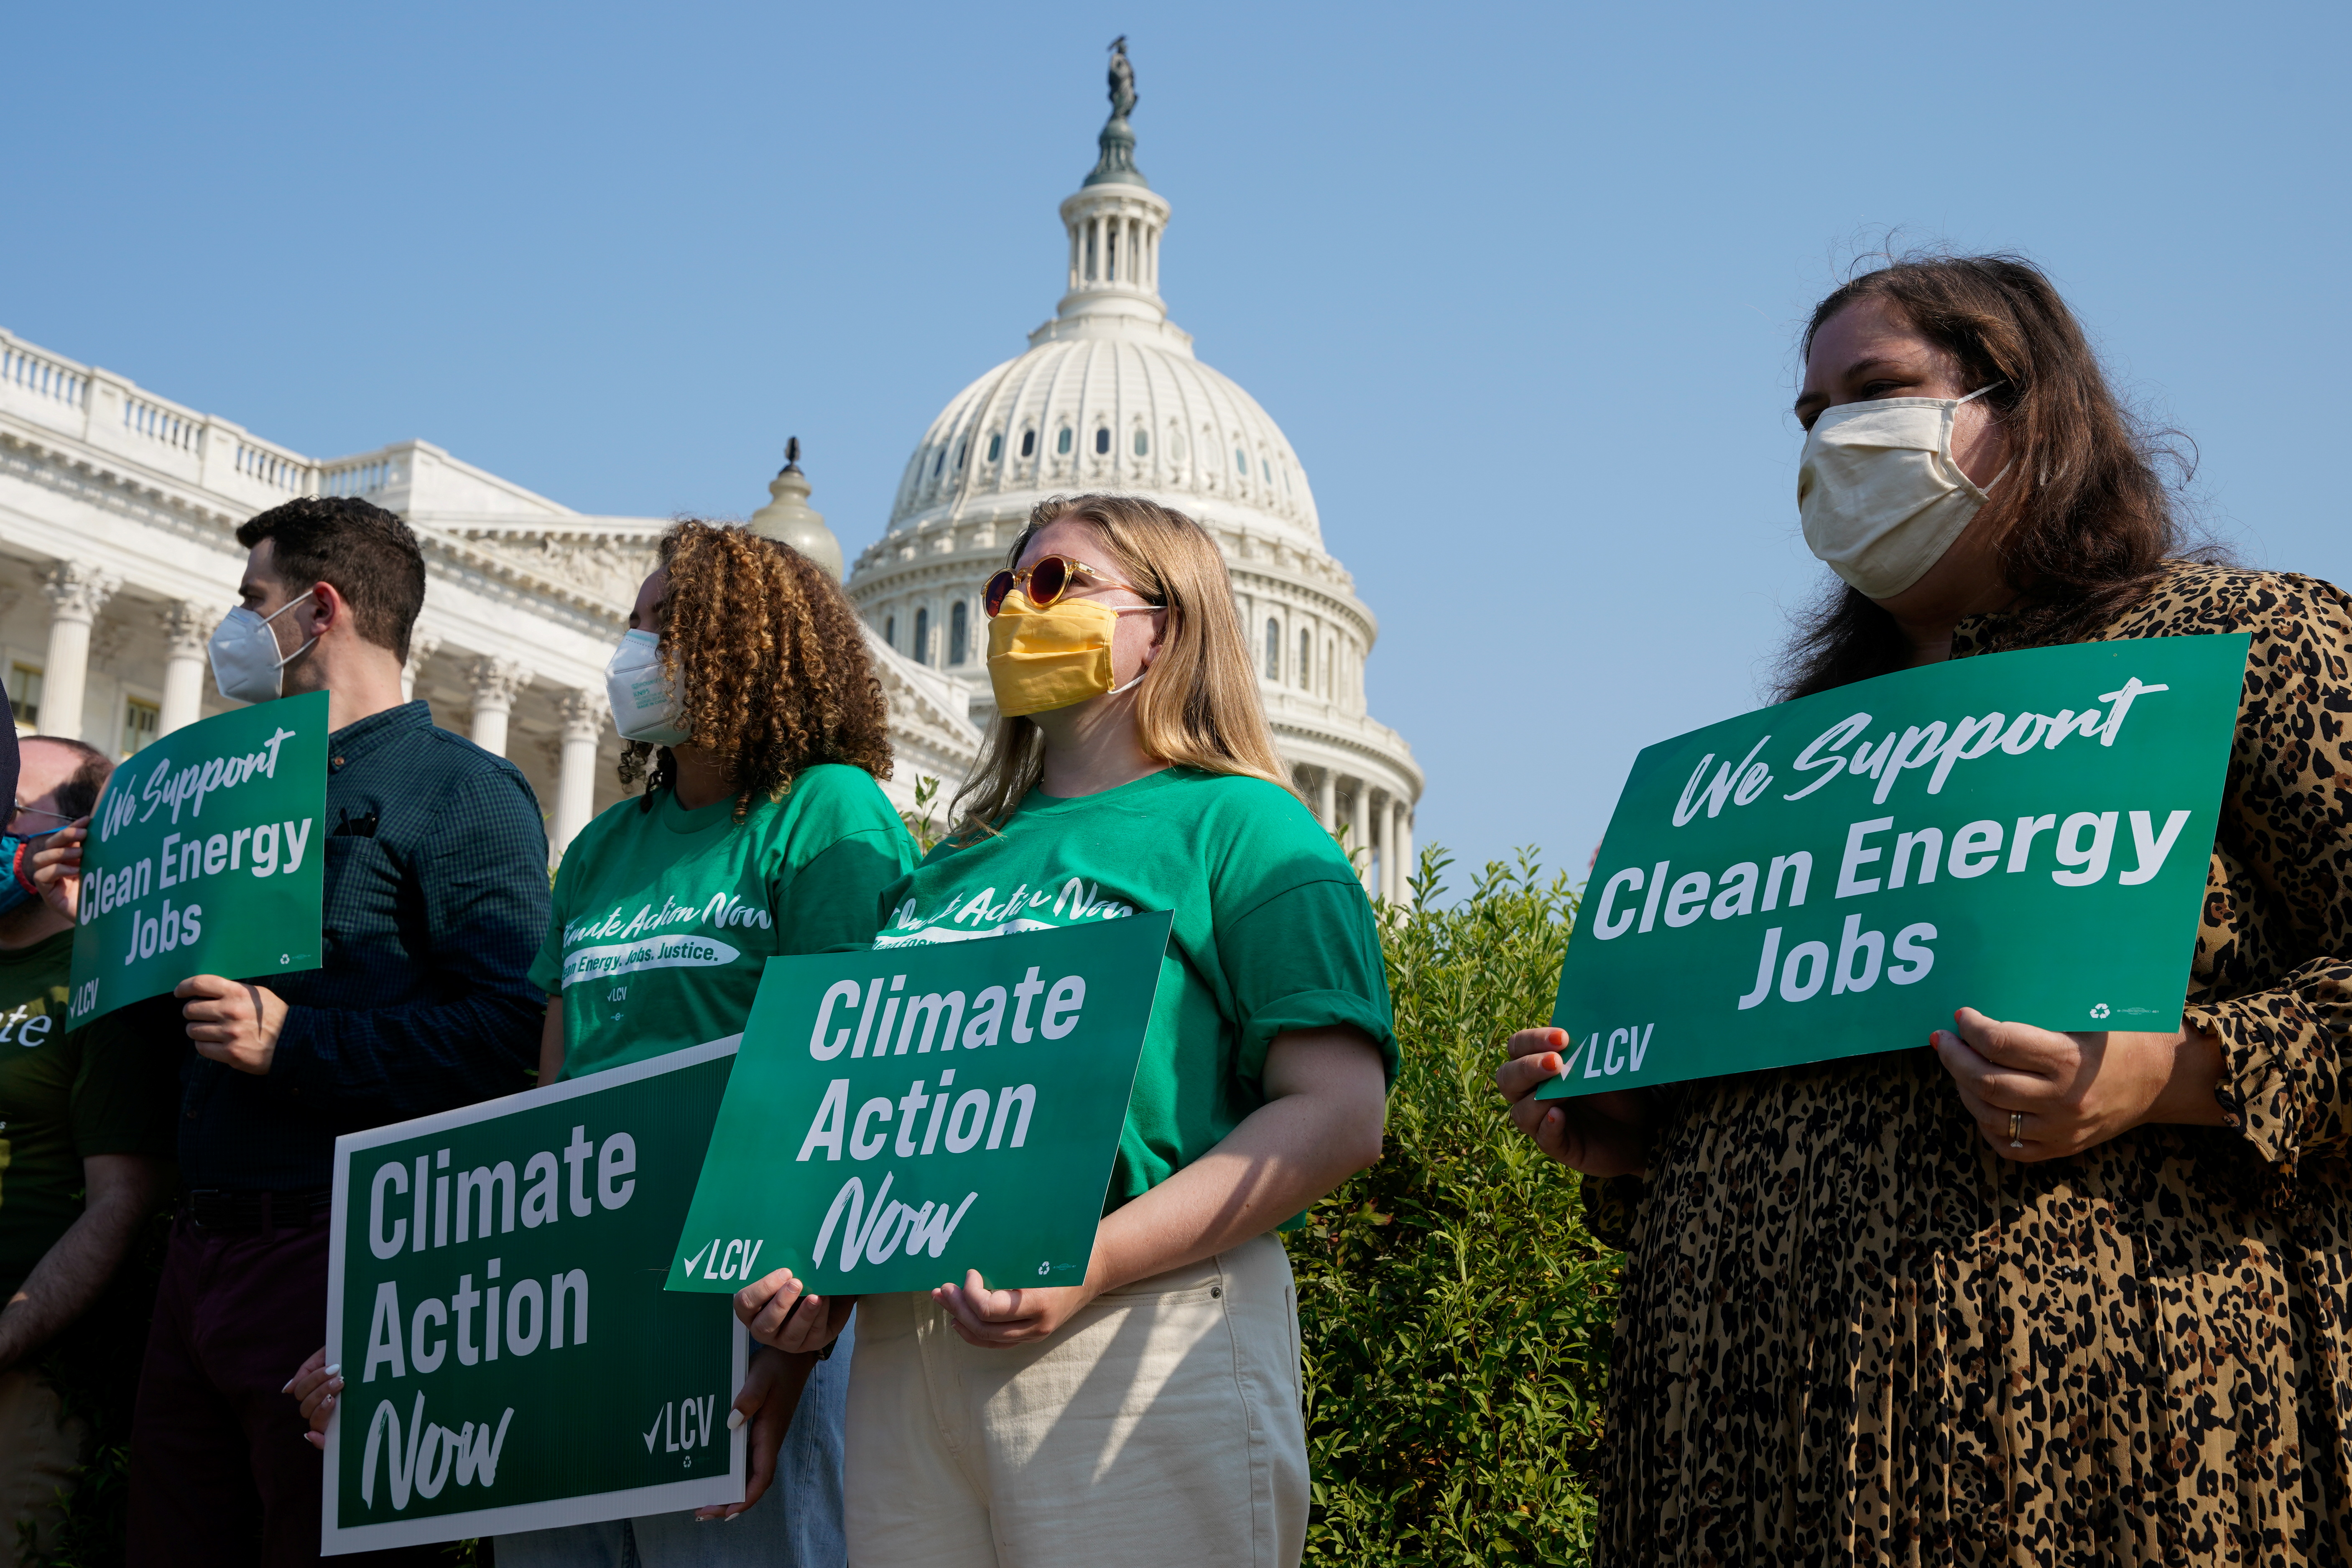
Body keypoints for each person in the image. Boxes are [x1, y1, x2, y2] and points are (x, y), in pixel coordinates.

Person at [1496, 254, 2352, 1561]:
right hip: (1739, 1455)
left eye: (1878, 390)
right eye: (1809, 414)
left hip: (2123, 1439)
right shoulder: (1770, 768)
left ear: (2029, 408)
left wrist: (2175, 1073)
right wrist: (1628, 1130)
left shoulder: (2236, 644)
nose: (1835, 439)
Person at [731, 494, 1395, 1568]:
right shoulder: (944, 868)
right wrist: (810, 1311)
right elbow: (889, 1130)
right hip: (911, 1358)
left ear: (1163, 625)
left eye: (1056, 585)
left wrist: (1089, 1261)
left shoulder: (1247, 827)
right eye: (1004, 587)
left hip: (1138, 1326)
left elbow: (1339, 1112)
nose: (1011, 612)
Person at [294, 521, 914, 1565]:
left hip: (743, 1313)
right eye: (633, 625)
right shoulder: (601, 851)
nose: (636, 650)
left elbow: (854, 1086)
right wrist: (408, 1332)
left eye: (667, 625)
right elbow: (546, 1121)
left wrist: (793, 1357)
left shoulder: (827, 814)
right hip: (580, 1314)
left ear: (752, 645)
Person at [84, 496, 553, 1567]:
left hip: (336, 1254)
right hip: (198, 1254)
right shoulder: (222, 793)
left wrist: (295, 1045)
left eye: (253, 599)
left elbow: (508, 1034)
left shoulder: (462, 793)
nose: (236, 624)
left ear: (320, 607)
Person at [0, 737, 177, 1561]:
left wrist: (9, 1336)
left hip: (31, 1367)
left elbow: (121, 1196)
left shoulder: (100, 977)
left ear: (74, 837)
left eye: (13, 804)